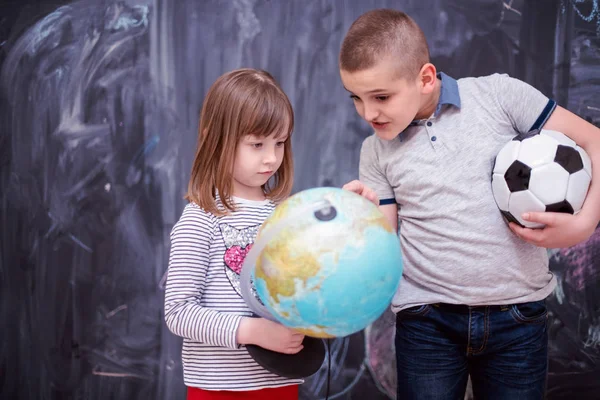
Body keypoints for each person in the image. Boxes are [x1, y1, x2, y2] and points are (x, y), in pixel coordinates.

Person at [338, 8, 600, 400]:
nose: (367, 112)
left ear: (425, 78)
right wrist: (358, 221)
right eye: (355, 98)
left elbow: (595, 140)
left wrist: (582, 225)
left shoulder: (499, 95)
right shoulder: (375, 152)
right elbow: (383, 248)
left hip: (518, 316)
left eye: (380, 97)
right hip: (427, 322)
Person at [164, 68, 304, 400]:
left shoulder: (286, 216)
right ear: (217, 140)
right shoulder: (200, 221)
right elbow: (178, 312)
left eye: (280, 142)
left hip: (281, 384)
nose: (271, 157)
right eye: (257, 144)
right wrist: (252, 331)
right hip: (219, 389)